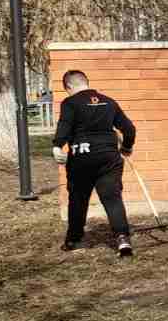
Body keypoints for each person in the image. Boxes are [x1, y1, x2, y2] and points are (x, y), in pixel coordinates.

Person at [51, 69, 137, 257]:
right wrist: (127, 147)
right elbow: (129, 128)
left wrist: (57, 146)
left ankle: (74, 240)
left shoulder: (70, 103)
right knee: (112, 197)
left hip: (82, 157)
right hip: (108, 157)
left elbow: (64, 125)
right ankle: (123, 239)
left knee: (78, 199)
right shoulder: (109, 101)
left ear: (69, 86)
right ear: (86, 82)